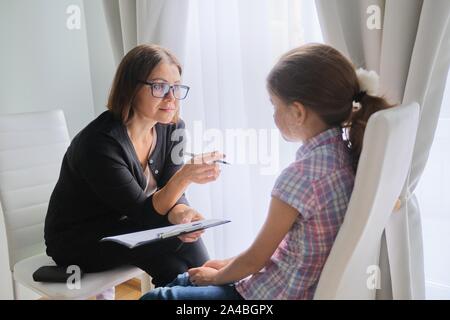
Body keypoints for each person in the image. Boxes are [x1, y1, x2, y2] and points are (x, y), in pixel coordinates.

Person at [140, 43, 394, 300]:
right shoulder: (344, 155)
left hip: (269, 296)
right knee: (186, 279)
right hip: (282, 283)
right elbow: (275, 253)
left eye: (275, 106)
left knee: (157, 297)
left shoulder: (301, 177)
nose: (273, 115)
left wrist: (219, 276)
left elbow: (255, 259)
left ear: (297, 112)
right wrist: (228, 265)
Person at [44, 44, 224, 296]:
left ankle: (214, 292)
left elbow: (169, 192)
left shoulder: (172, 128)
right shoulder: (99, 143)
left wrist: (183, 214)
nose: (171, 98)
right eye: (160, 86)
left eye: (176, 87)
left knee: (179, 251)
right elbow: (146, 215)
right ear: (131, 88)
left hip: (131, 229)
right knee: (174, 252)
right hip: (79, 241)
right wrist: (185, 176)